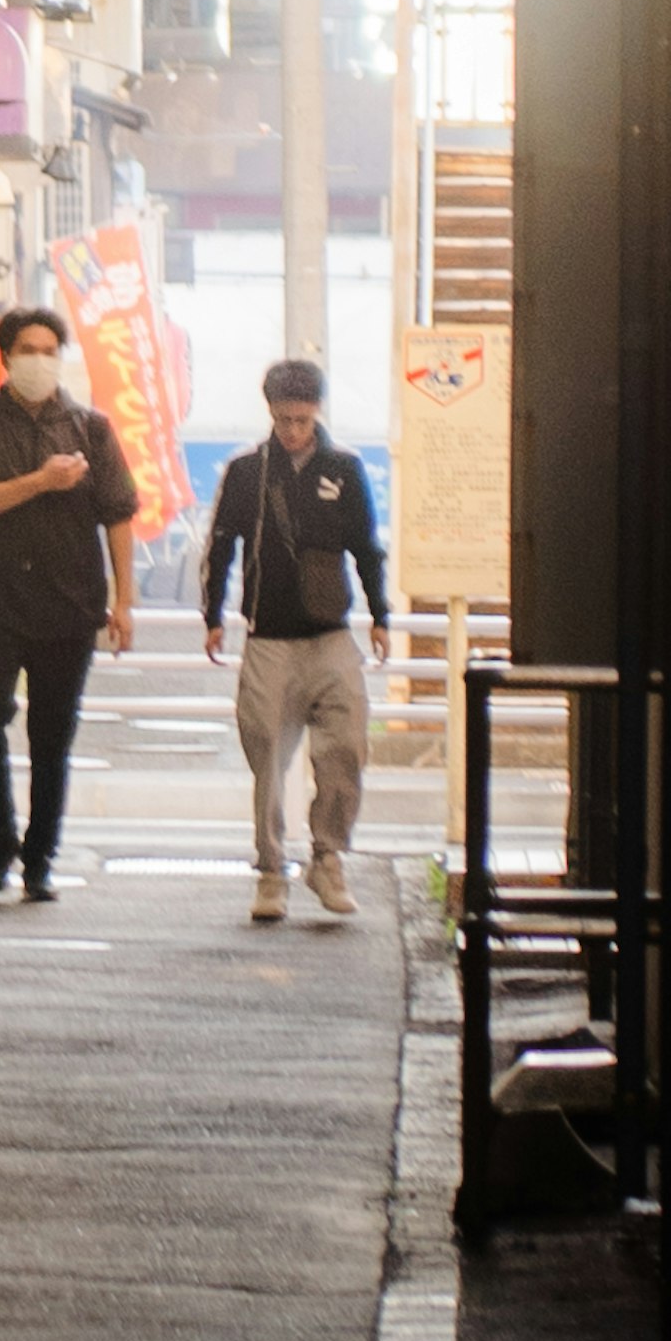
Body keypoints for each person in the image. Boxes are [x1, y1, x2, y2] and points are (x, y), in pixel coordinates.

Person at [0, 307, 139, 898]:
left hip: (70, 606)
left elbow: (119, 515)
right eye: (29, 349)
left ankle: (41, 859)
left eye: (51, 350)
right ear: (6, 356)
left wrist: (125, 602)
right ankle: (0, 843)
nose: (40, 360)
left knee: (53, 738)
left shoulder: (91, 428)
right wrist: (38, 482)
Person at [199, 357, 391, 921]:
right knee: (268, 757)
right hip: (268, 638)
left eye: (301, 418)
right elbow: (220, 546)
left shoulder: (345, 469)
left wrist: (381, 615)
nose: (292, 429)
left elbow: (367, 548)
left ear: (317, 412)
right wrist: (212, 615)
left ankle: (328, 858)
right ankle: (270, 870)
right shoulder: (245, 473)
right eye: (283, 418)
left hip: (332, 636)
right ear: (269, 413)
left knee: (346, 749)